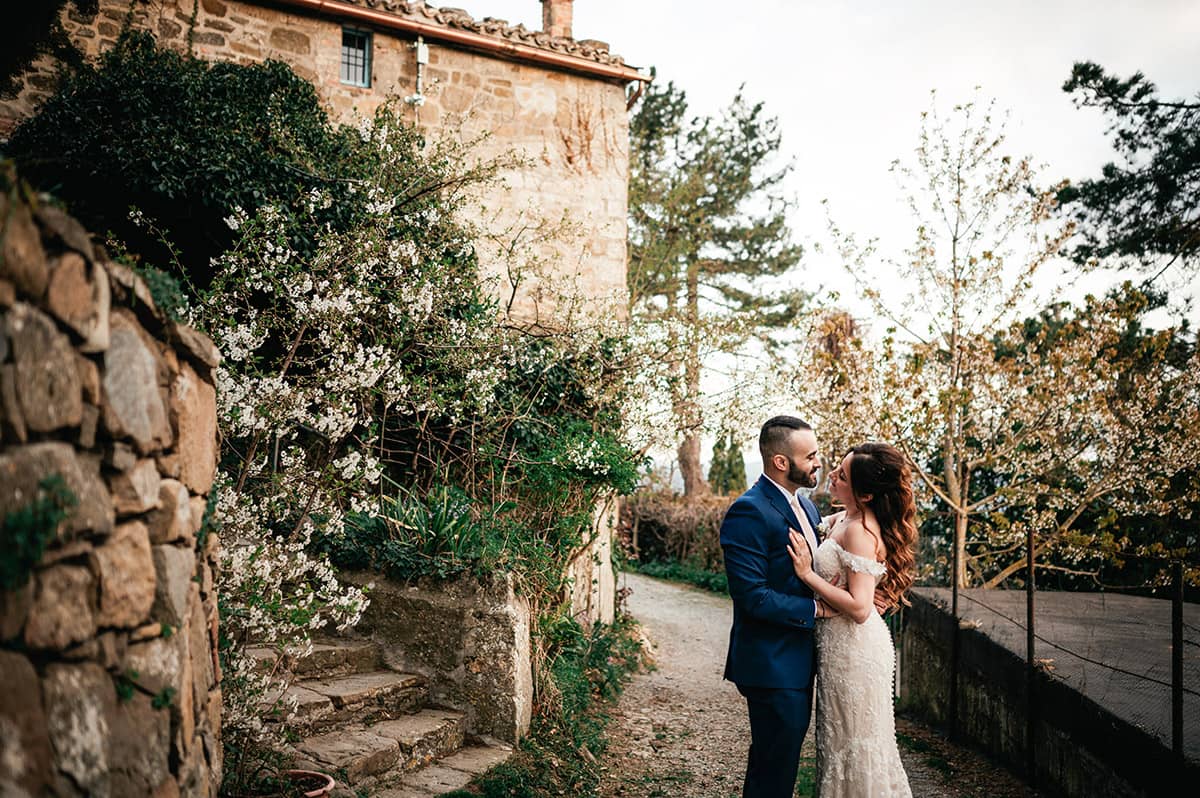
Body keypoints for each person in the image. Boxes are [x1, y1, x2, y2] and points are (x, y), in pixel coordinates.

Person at [786, 442, 917, 798]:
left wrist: (807, 575)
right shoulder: (845, 517)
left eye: (841, 475)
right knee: (838, 741)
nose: (831, 475)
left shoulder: (860, 531)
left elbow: (860, 609)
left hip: (854, 651)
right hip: (839, 646)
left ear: (867, 494)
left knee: (856, 745)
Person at [720, 415, 830, 798]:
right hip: (773, 662)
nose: (818, 461)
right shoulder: (750, 511)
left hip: (799, 661)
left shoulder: (807, 507)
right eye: (811, 455)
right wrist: (817, 611)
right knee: (775, 767)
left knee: (777, 762)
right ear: (781, 462)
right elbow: (752, 596)